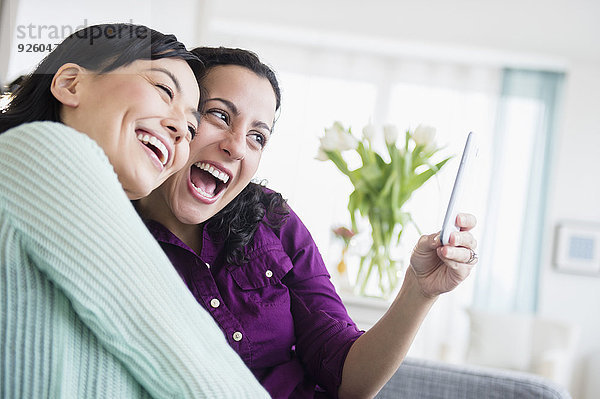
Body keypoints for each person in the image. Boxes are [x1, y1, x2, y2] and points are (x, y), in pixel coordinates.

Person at [135, 47, 478, 399]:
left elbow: (349, 377)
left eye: (257, 137)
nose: (237, 147)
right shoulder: (116, 229)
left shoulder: (272, 219)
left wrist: (420, 290)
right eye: (220, 115)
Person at [0, 26, 268, 398]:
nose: (180, 130)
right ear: (71, 84)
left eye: (192, 126)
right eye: (163, 90)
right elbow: (204, 374)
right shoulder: (42, 149)